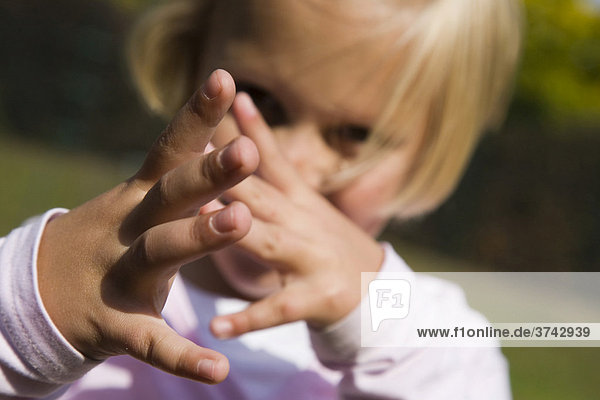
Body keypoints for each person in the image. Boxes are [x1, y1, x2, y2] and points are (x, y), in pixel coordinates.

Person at [0, 0, 522, 398]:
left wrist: (373, 309)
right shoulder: (100, 276)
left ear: (433, 150)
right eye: (260, 101)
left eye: (357, 133)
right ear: (190, 69)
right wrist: (35, 314)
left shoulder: (432, 340)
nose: (288, 161)